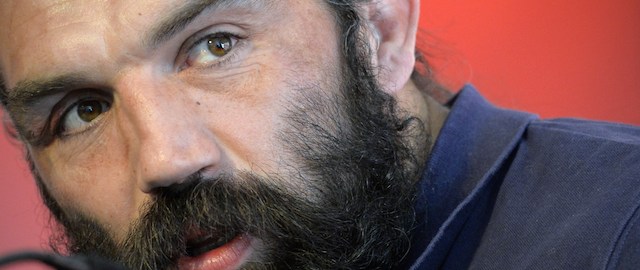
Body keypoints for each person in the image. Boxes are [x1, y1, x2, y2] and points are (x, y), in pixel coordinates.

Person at [0, 0, 638, 269]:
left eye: (215, 46)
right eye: (81, 112)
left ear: (379, 29)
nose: (165, 160)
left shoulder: (617, 231)